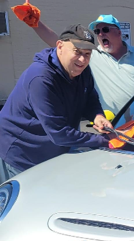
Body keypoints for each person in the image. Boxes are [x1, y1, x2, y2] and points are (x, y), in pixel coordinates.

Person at [13, 1, 134, 118]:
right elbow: (57, 41)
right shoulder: (92, 55)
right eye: (97, 32)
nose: (100, 34)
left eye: (105, 29)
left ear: (119, 33)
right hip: (112, 125)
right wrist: (36, 24)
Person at [0, 25, 112, 180]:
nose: (82, 60)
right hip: (22, 155)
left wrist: (97, 116)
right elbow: (59, 133)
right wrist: (105, 141)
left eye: (87, 54)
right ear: (59, 46)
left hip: (55, 152)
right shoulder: (41, 79)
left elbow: (90, 99)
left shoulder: (82, 70)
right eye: (77, 52)